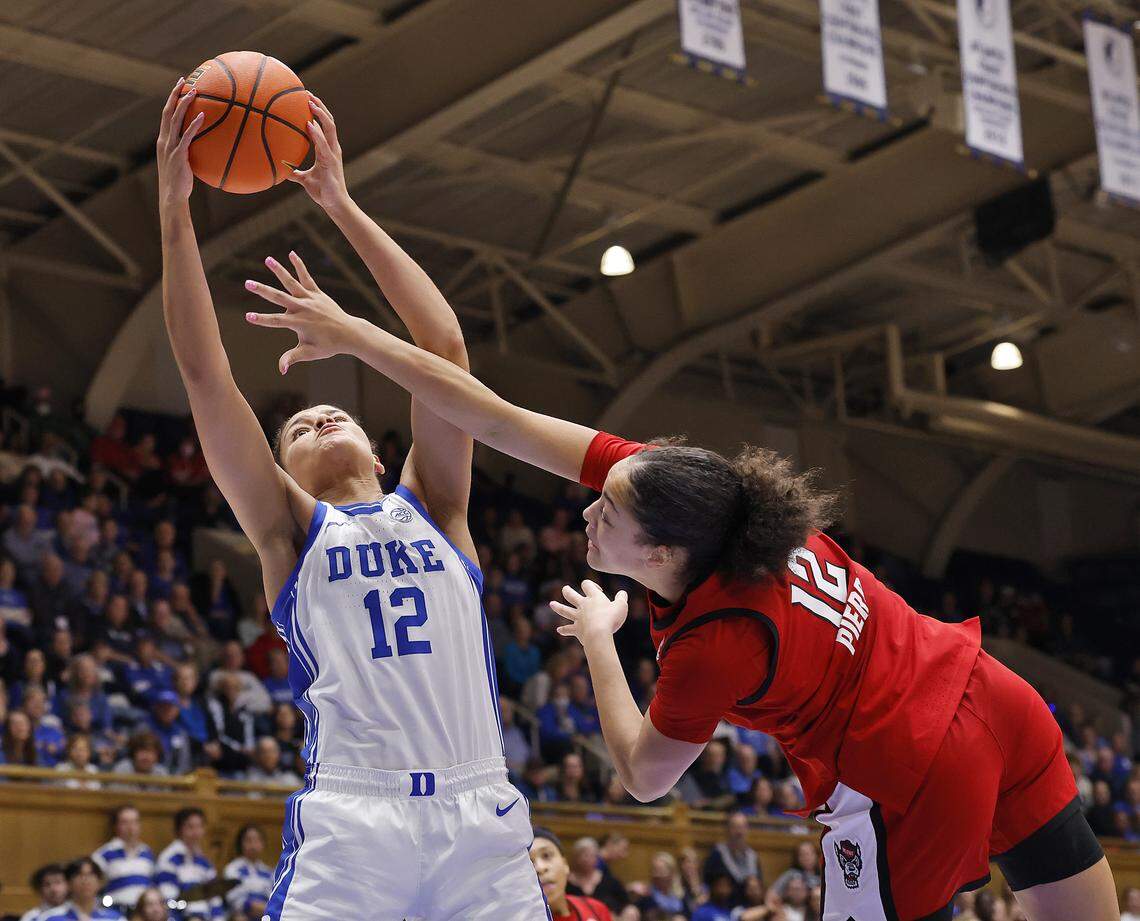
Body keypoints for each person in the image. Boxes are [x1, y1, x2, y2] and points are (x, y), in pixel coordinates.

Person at [274, 291, 1121, 920]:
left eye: (606, 515)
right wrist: (351, 333)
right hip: (993, 692)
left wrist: (603, 641)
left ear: (662, 555)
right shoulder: (708, 497)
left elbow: (643, 776)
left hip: (905, 766)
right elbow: (490, 415)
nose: (586, 512)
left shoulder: (714, 643)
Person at [156, 81, 543, 920]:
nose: (320, 415)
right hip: (353, 820)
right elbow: (203, 373)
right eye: (297, 427)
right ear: (285, 468)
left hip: (479, 814)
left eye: (334, 413)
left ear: (378, 447)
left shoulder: (437, 504)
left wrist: (339, 202)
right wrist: (175, 210)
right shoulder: (289, 530)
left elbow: (442, 347)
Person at [154, 808, 224, 920]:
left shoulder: (205, 863)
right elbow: (169, 902)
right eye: (190, 827)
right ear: (180, 829)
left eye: (199, 826)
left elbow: (215, 900)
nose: (196, 832)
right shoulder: (169, 859)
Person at [531, 827, 614, 921]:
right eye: (529, 862)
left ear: (565, 864)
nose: (540, 868)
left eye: (546, 855)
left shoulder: (597, 909)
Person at [93, 805, 157, 915]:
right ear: (116, 826)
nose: (131, 827)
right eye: (125, 822)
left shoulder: (147, 853)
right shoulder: (104, 854)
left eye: (134, 822)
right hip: (116, 911)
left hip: (144, 913)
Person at [40, 858, 125, 921]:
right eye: (79, 875)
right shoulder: (51, 918)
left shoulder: (116, 918)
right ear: (68, 883)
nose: (85, 880)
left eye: (90, 875)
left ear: (99, 882)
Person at [224, 825, 274, 921]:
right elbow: (236, 901)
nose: (253, 845)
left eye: (257, 840)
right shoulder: (233, 869)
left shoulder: (269, 872)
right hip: (242, 915)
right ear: (241, 843)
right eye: (248, 841)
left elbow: (273, 899)